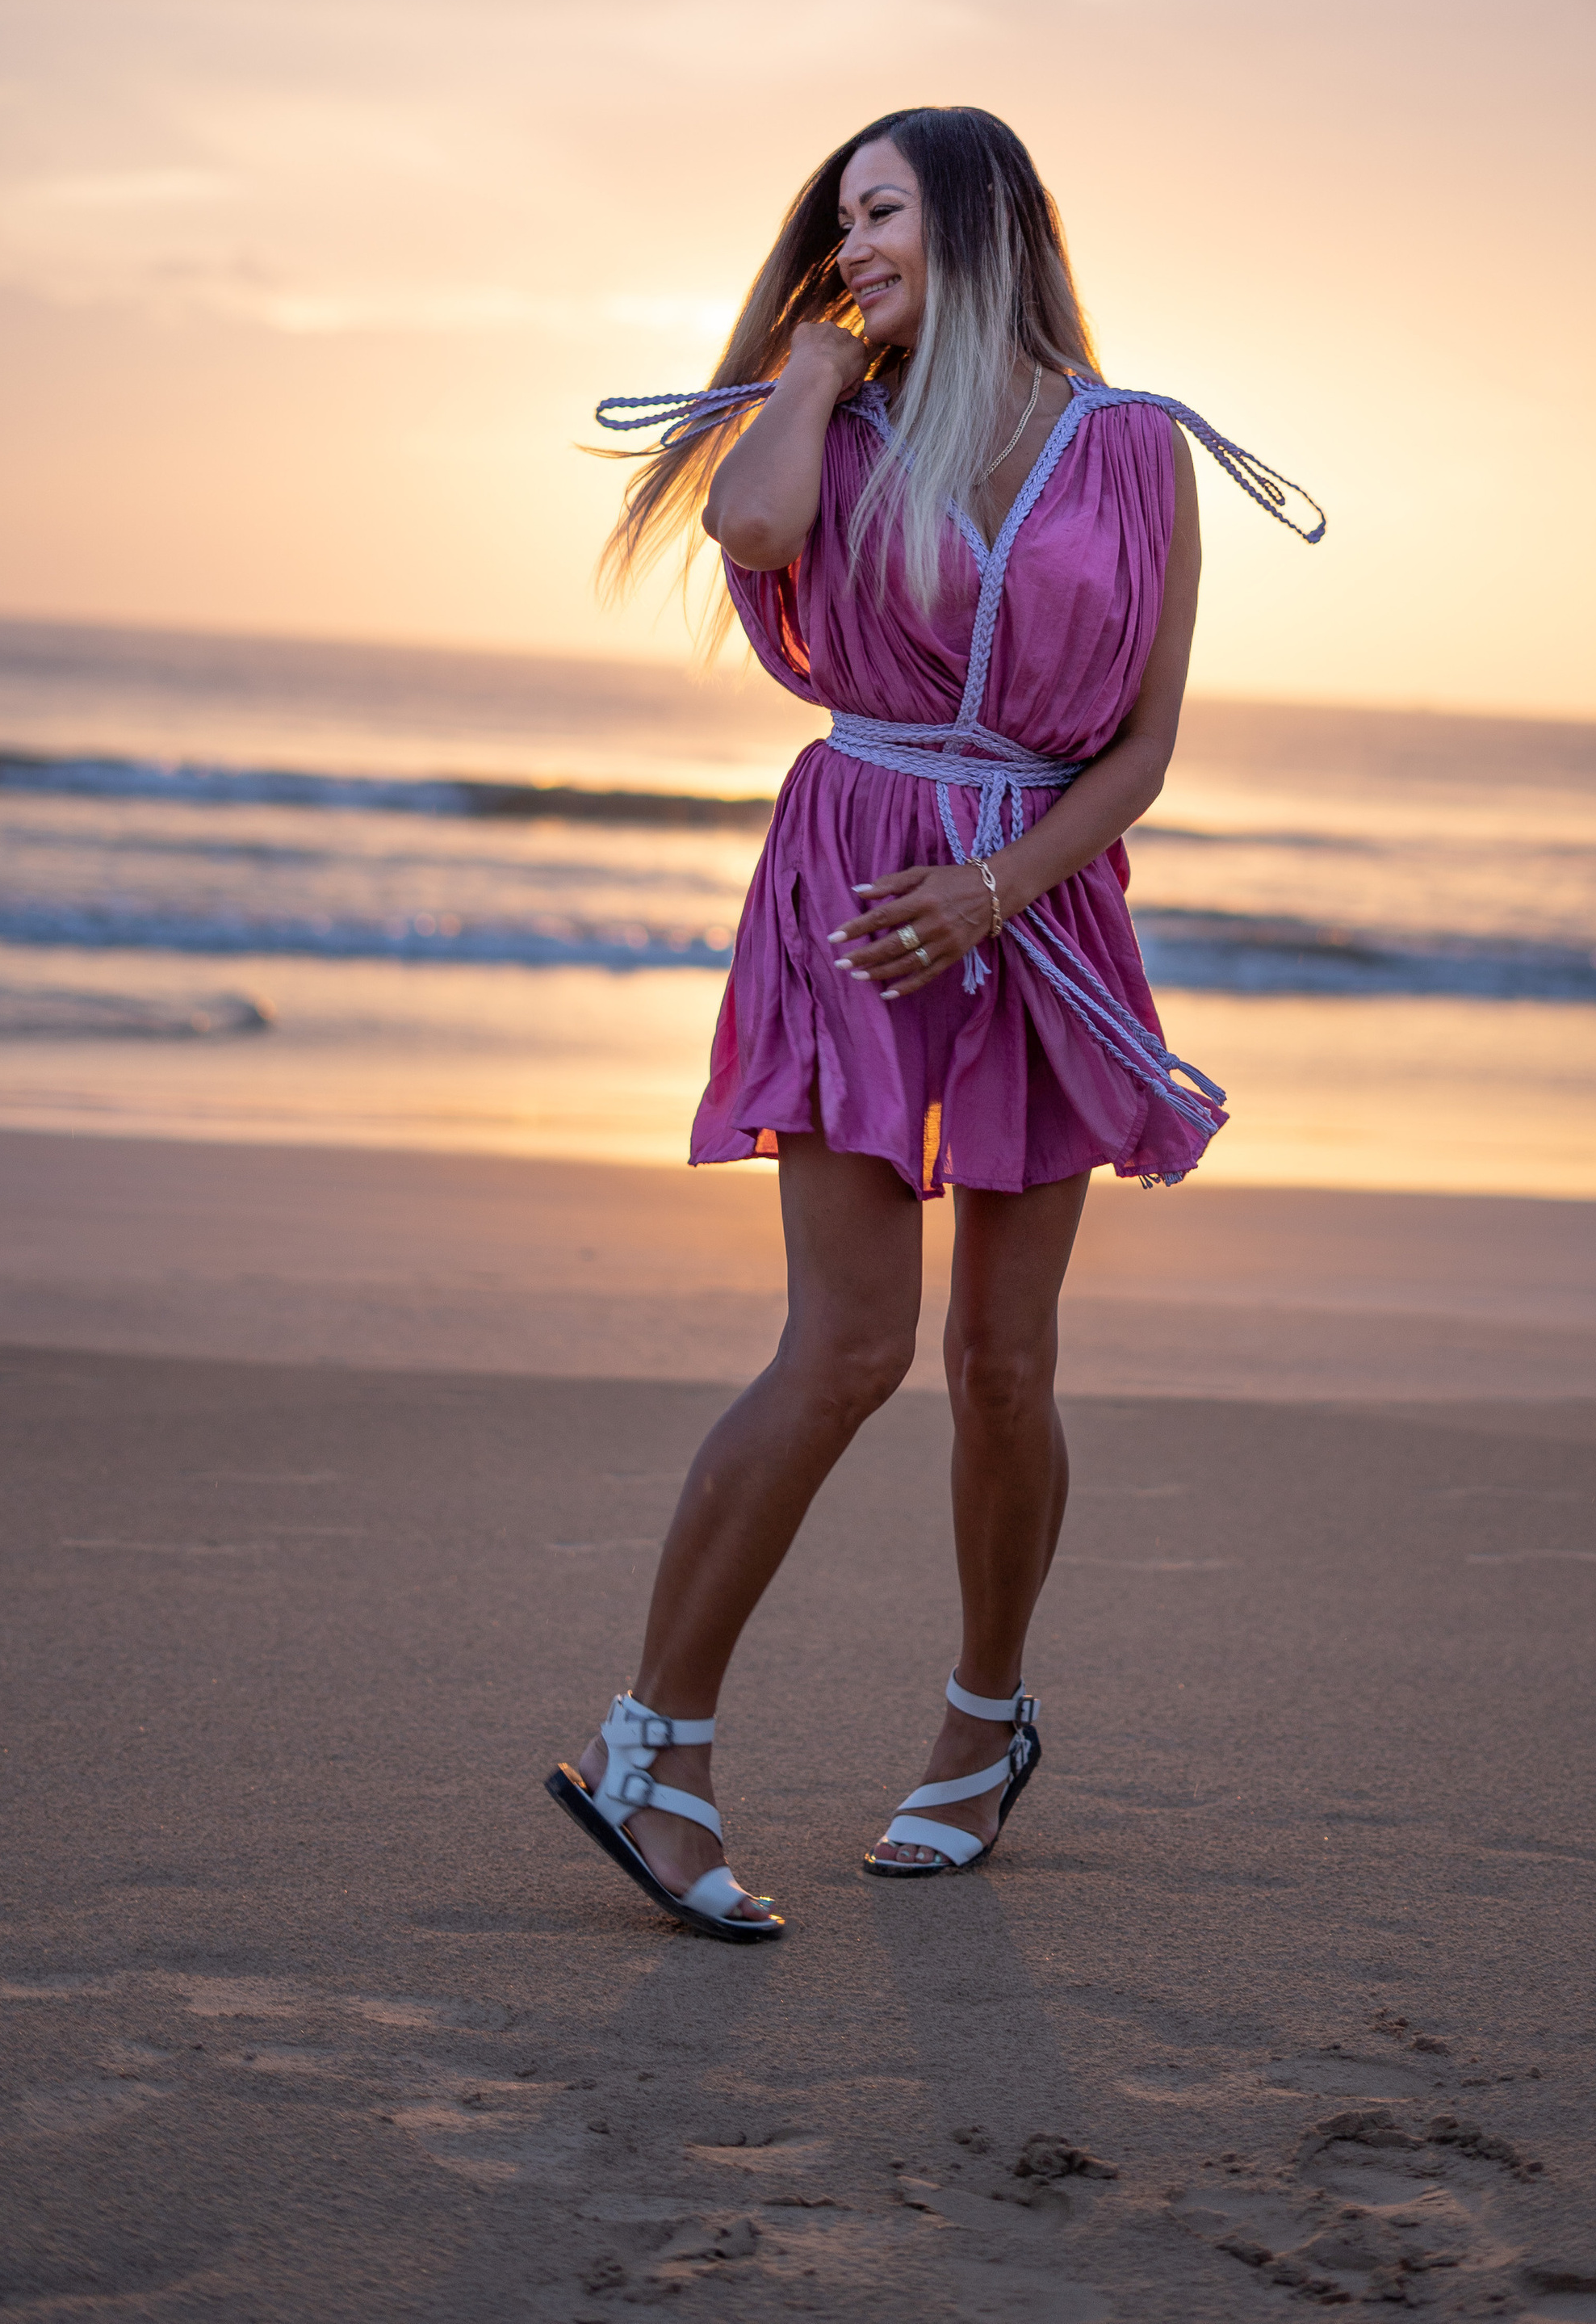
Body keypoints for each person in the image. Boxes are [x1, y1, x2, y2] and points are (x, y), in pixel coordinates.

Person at [549, 105, 1320, 1941]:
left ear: (980, 218)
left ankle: (981, 1729)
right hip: (855, 888)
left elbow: (1142, 747)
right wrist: (815, 367)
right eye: (840, 221)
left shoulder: (1137, 448)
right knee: (843, 1346)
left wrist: (998, 886)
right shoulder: (836, 421)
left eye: (882, 211)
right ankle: (653, 1751)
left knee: (1002, 1362)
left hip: (1036, 900)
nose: (855, 244)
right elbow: (745, 525)